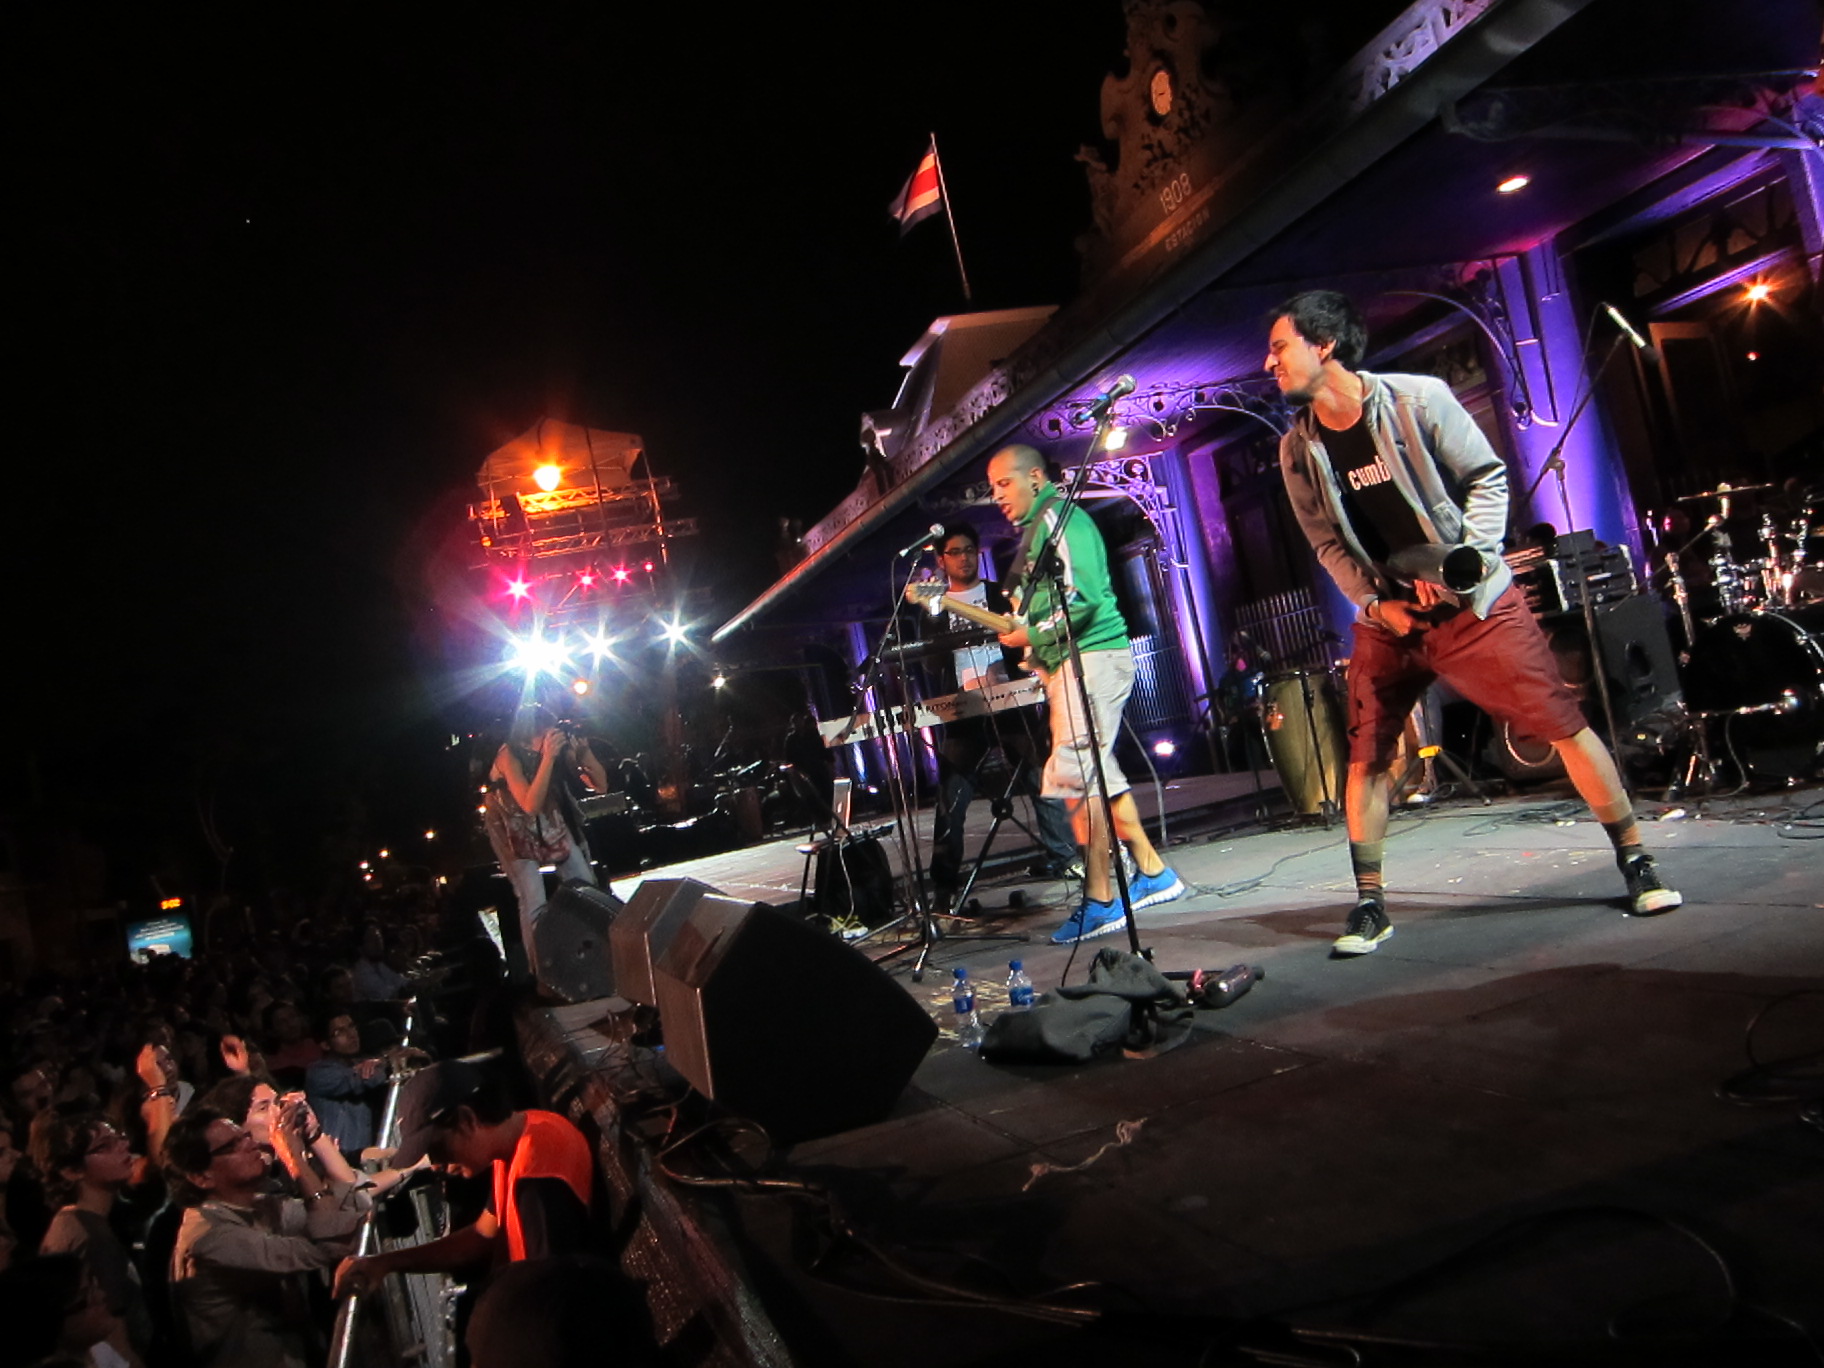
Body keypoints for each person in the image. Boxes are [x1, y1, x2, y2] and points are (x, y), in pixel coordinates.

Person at [1266, 290, 1682, 955]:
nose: (1270, 362)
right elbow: (1326, 543)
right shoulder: (1297, 448)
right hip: (1390, 614)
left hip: (1472, 605)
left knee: (1560, 723)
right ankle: (1370, 905)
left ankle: (1637, 860)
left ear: (1324, 345)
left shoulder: (1418, 400)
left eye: (1280, 347)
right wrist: (1375, 606)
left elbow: (1487, 477)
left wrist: (1464, 565)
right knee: (1367, 754)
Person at [986, 445, 1188, 944]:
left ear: (1036, 478)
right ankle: (1153, 871)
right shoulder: (1039, 533)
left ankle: (1100, 898)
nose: (997, 497)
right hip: (1077, 664)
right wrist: (1032, 639)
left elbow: (1085, 597)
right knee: (1096, 775)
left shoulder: (1058, 519)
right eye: (992, 489)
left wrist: (1033, 635)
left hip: (1092, 659)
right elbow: (1051, 607)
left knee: (1076, 778)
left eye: (1004, 484)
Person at [902, 520, 1079, 905]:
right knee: (952, 797)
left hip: (1010, 701)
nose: (964, 558)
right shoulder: (936, 602)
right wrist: (933, 612)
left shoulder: (1000, 596)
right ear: (941, 560)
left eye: (970, 550)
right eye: (955, 552)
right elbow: (931, 665)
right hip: (964, 712)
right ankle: (945, 886)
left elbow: (1026, 641)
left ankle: (1065, 857)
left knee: (1039, 777)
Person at [330, 1059, 594, 1300]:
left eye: (437, 1149)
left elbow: (553, 1301)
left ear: (467, 1120)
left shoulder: (537, 1181)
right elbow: (482, 1235)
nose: (435, 1166)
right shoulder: (526, 1135)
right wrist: (384, 1263)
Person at [163, 1104, 362, 1368]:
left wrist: (315, 1139)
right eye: (232, 1145)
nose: (251, 1144)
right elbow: (331, 1247)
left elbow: (352, 1209)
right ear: (201, 1177)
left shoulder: (262, 1205)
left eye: (245, 1136)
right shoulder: (211, 1239)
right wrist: (294, 1159)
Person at [481, 703, 609, 973]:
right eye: (548, 732)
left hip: (549, 817)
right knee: (532, 896)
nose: (554, 737)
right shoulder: (509, 754)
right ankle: (542, 971)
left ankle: (597, 952)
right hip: (511, 826)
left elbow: (600, 785)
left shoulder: (555, 749)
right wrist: (548, 758)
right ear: (532, 734)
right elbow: (529, 805)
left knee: (584, 884)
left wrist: (584, 754)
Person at [31, 1113, 150, 1365]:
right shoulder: (93, 1236)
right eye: (104, 1146)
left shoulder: (71, 1221)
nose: (123, 1146)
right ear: (71, 1171)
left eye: (119, 1138)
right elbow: (114, 1338)